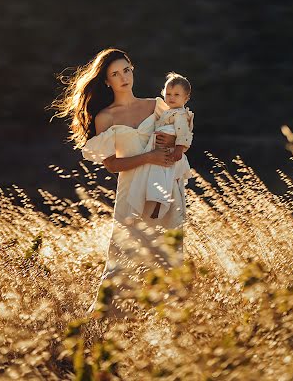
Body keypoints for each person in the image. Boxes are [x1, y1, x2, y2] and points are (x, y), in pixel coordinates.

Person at [50, 48, 186, 317]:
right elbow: (111, 164)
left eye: (126, 70)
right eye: (115, 74)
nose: (123, 77)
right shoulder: (106, 117)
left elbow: (179, 141)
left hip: (164, 191)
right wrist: (149, 156)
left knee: (167, 258)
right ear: (106, 81)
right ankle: (104, 323)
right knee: (122, 260)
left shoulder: (156, 105)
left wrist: (171, 149)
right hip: (131, 193)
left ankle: (164, 324)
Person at [127, 72, 194, 222]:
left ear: (186, 98)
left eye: (176, 94)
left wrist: (178, 149)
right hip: (161, 149)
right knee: (156, 175)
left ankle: (159, 203)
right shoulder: (168, 111)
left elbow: (183, 133)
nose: (171, 97)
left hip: (171, 152)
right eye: (168, 93)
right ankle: (153, 200)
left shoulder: (181, 115)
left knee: (164, 176)